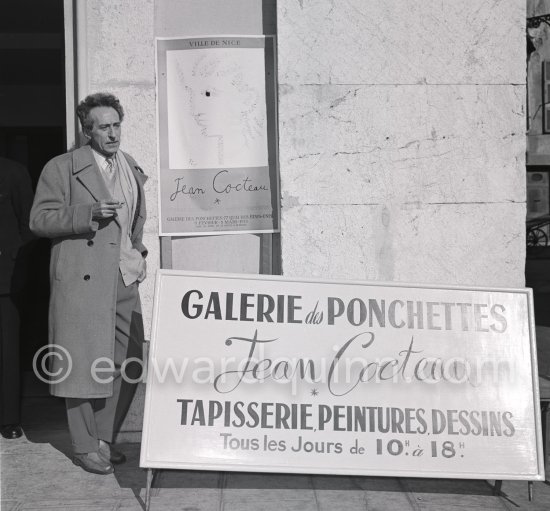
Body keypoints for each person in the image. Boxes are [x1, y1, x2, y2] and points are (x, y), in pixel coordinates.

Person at [29, 92, 147, 475]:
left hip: (123, 275)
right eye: (104, 127)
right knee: (81, 363)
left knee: (129, 359)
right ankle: (83, 445)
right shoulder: (62, 167)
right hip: (82, 279)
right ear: (87, 131)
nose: (113, 133)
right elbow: (39, 220)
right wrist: (87, 213)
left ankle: (102, 436)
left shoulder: (128, 165)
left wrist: (139, 252)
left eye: (117, 125)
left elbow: (136, 219)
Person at [0, 157, 34, 440]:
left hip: (5, 278)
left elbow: (29, 226)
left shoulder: (13, 172)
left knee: (6, 350)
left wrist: (14, 263)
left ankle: (8, 418)